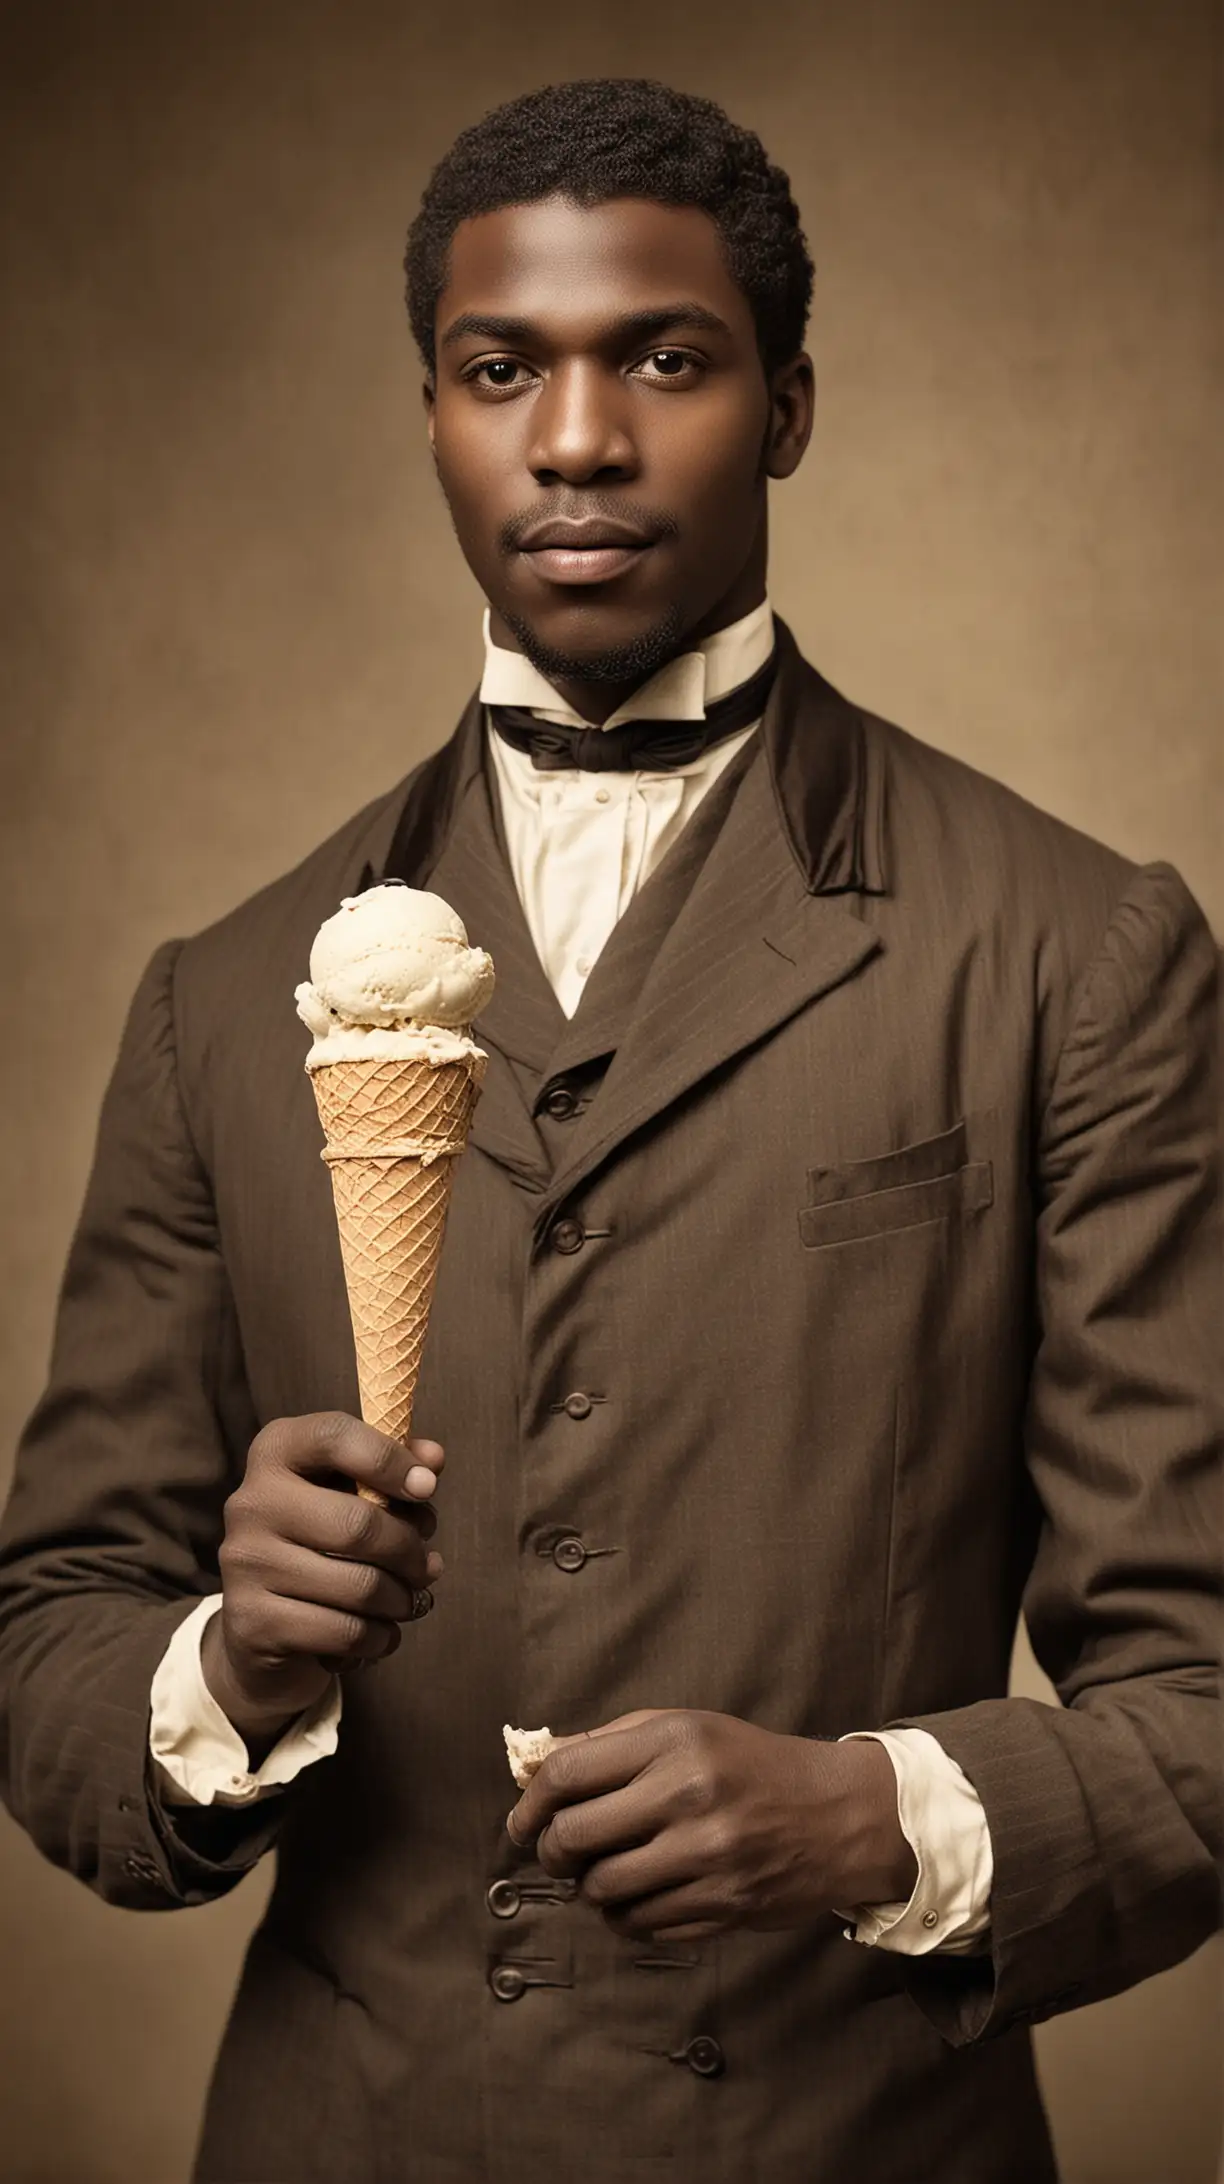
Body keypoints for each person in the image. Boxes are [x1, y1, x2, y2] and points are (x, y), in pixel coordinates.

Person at [0, 75, 1218, 2184]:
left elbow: (1201, 1703)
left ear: (792, 404)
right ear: (435, 410)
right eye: (502, 371)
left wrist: (886, 1813)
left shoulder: (1077, 953)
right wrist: (233, 1657)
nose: (575, 439)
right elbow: (56, 1660)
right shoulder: (220, 997)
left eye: (664, 357)